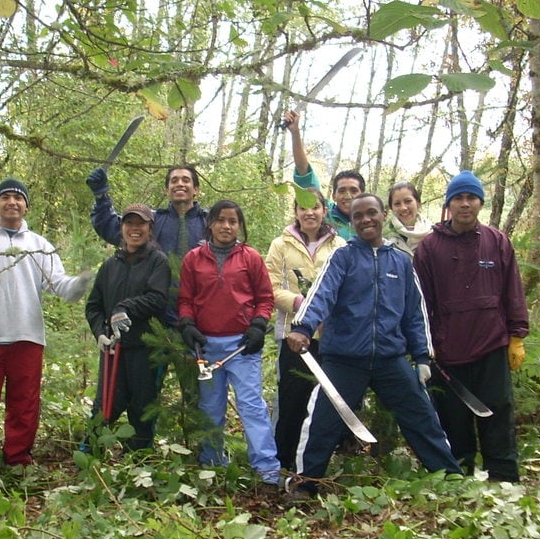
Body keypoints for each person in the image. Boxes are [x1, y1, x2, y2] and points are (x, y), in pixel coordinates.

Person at [285, 193, 462, 498]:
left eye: (371, 213)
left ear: (383, 215)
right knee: (323, 420)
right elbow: (321, 294)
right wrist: (303, 327)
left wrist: (421, 356)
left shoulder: (401, 262)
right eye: (358, 216)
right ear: (351, 222)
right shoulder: (342, 257)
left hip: (390, 360)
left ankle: (449, 479)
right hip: (344, 359)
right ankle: (305, 484)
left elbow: (414, 312)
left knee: (422, 415)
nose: (366, 220)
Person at [0, 178, 93, 481]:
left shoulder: (38, 244)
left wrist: (81, 283)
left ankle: (17, 458)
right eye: (6, 197)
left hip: (28, 337)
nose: (12, 202)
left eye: (18, 198)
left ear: (27, 205)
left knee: (25, 402)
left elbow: (59, 285)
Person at [413, 170, 529, 483]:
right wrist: (424, 347)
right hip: (447, 351)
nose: (465, 204)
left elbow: (512, 293)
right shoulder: (429, 249)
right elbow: (420, 304)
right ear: (449, 204)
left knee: (497, 412)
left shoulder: (497, 242)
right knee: (453, 418)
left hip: (491, 345)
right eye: (459, 198)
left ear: (480, 203)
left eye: (471, 198)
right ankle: (459, 476)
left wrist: (516, 336)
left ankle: (504, 477)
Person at [177, 200, 281, 487]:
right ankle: (212, 463)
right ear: (210, 223)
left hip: (242, 346)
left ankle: (267, 469)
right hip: (206, 347)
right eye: (221, 220)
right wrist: (187, 324)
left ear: (239, 226)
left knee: (251, 406)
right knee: (210, 408)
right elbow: (185, 300)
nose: (226, 226)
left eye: (233, 221)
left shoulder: (251, 257)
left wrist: (258, 325)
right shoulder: (194, 259)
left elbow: (265, 298)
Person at [265, 186, 346, 469]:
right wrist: (301, 302)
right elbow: (269, 288)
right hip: (293, 335)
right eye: (303, 207)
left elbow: (348, 290)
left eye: (315, 206)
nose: (309, 212)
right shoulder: (281, 245)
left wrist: (327, 310)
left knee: (326, 402)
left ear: (325, 210)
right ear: (296, 212)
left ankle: (316, 464)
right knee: (292, 401)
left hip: (331, 336)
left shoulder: (340, 247)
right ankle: (283, 463)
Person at [84, 203, 171, 452]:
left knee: (143, 406)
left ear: (150, 228)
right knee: (105, 404)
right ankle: (91, 452)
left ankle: (139, 459)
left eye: (141, 224)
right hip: (113, 349)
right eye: (129, 223)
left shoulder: (158, 262)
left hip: (145, 348)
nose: (135, 229)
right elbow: (93, 306)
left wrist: (126, 307)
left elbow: (157, 298)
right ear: (121, 227)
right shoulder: (110, 265)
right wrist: (100, 332)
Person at [276, 111, 364, 241]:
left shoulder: (369, 220)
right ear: (334, 195)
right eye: (342, 190)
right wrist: (295, 133)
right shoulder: (324, 214)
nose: (348, 196)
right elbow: (304, 172)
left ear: (363, 194)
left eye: (354, 190)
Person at [386, 181, 433, 255]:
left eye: (408, 201)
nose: (403, 208)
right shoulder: (385, 236)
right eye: (397, 204)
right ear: (391, 207)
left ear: (418, 203)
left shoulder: (433, 234)